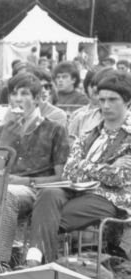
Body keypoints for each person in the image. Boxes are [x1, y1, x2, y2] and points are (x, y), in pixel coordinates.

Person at [28, 72, 131, 263]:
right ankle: (44, 265)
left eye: (112, 99)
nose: (106, 105)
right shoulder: (90, 133)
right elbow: (68, 170)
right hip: (76, 191)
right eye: (102, 100)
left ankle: (35, 261)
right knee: (47, 194)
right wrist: (104, 167)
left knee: (46, 218)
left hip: (109, 199)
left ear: (127, 101)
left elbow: (120, 178)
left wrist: (83, 166)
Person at [0, 72, 69, 265]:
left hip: (35, 191)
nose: (18, 99)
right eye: (13, 94)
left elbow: (61, 176)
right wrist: (5, 141)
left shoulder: (54, 130)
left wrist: (27, 181)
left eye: (24, 94)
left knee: (8, 195)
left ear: (37, 99)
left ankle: (0, 264)